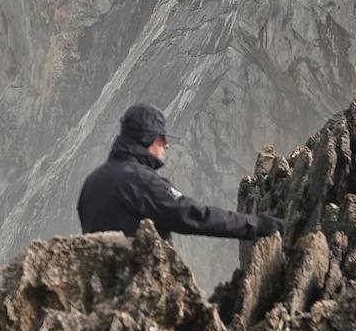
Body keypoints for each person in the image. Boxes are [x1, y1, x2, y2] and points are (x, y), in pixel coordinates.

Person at [77, 103, 283, 242]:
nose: (166, 145)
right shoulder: (140, 180)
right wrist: (255, 224)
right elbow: (192, 215)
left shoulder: (92, 182)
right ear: (146, 138)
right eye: (162, 138)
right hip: (139, 290)